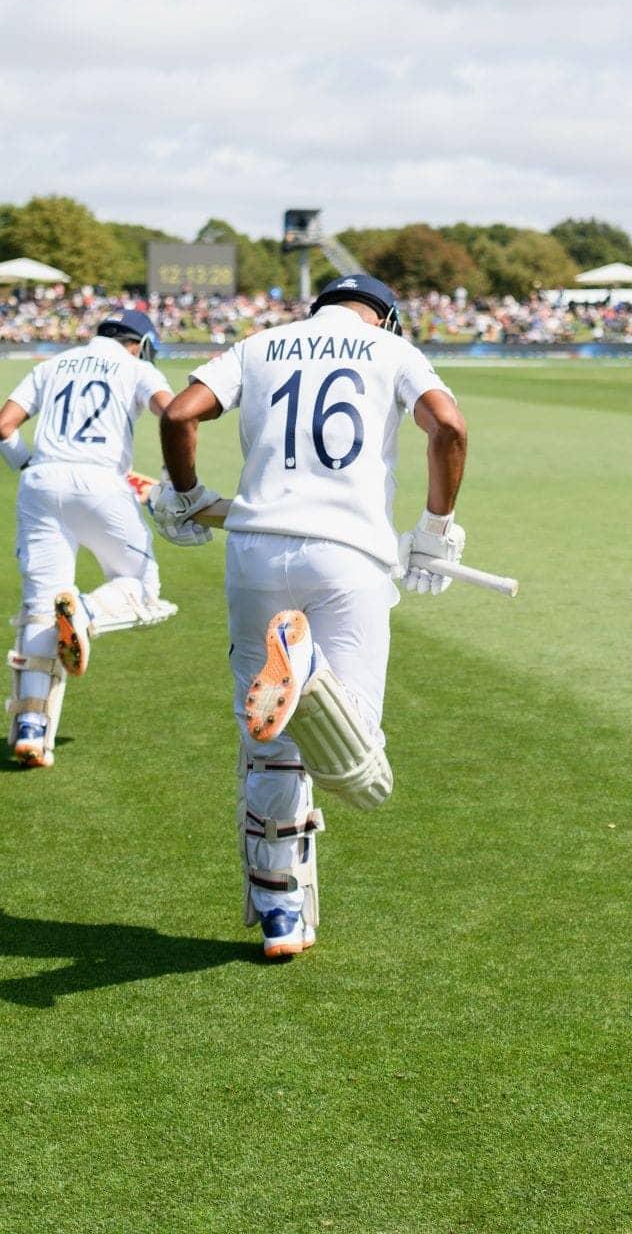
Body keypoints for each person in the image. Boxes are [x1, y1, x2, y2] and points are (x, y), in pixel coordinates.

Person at [146, 275, 469, 959]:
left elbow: (178, 414)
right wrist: (436, 527)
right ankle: (312, 670)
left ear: (315, 307)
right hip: (347, 555)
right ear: (385, 317)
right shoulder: (391, 350)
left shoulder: (260, 343)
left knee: (271, 748)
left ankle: (280, 911)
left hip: (256, 550)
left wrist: (185, 495)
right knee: (358, 764)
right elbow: (448, 425)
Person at [0, 309, 178, 768]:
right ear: (140, 342)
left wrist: (27, 465)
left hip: (40, 483)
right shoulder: (136, 366)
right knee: (143, 585)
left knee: (38, 606)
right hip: (101, 484)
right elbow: (173, 413)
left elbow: (1, 428)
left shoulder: (52, 365)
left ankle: (30, 730)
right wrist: (171, 483)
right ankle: (86, 610)